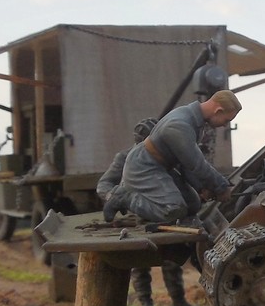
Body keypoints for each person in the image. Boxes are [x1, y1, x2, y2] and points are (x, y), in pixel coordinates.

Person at [96, 118, 201, 306]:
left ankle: (179, 302)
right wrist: (116, 198)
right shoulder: (125, 157)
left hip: (166, 215)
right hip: (138, 217)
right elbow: (103, 185)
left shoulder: (167, 156)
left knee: (172, 258)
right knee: (139, 261)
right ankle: (145, 302)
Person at [103, 90, 241, 224]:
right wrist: (220, 187)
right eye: (226, 120)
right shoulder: (180, 125)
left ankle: (181, 220)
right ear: (218, 111)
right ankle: (123, 198)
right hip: (144, 166)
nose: (225, 125)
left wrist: (202, 188)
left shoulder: (192, 120)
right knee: (172, 209)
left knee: (192, 204)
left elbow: (185, 163)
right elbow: (196, 164)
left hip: (162, 166)